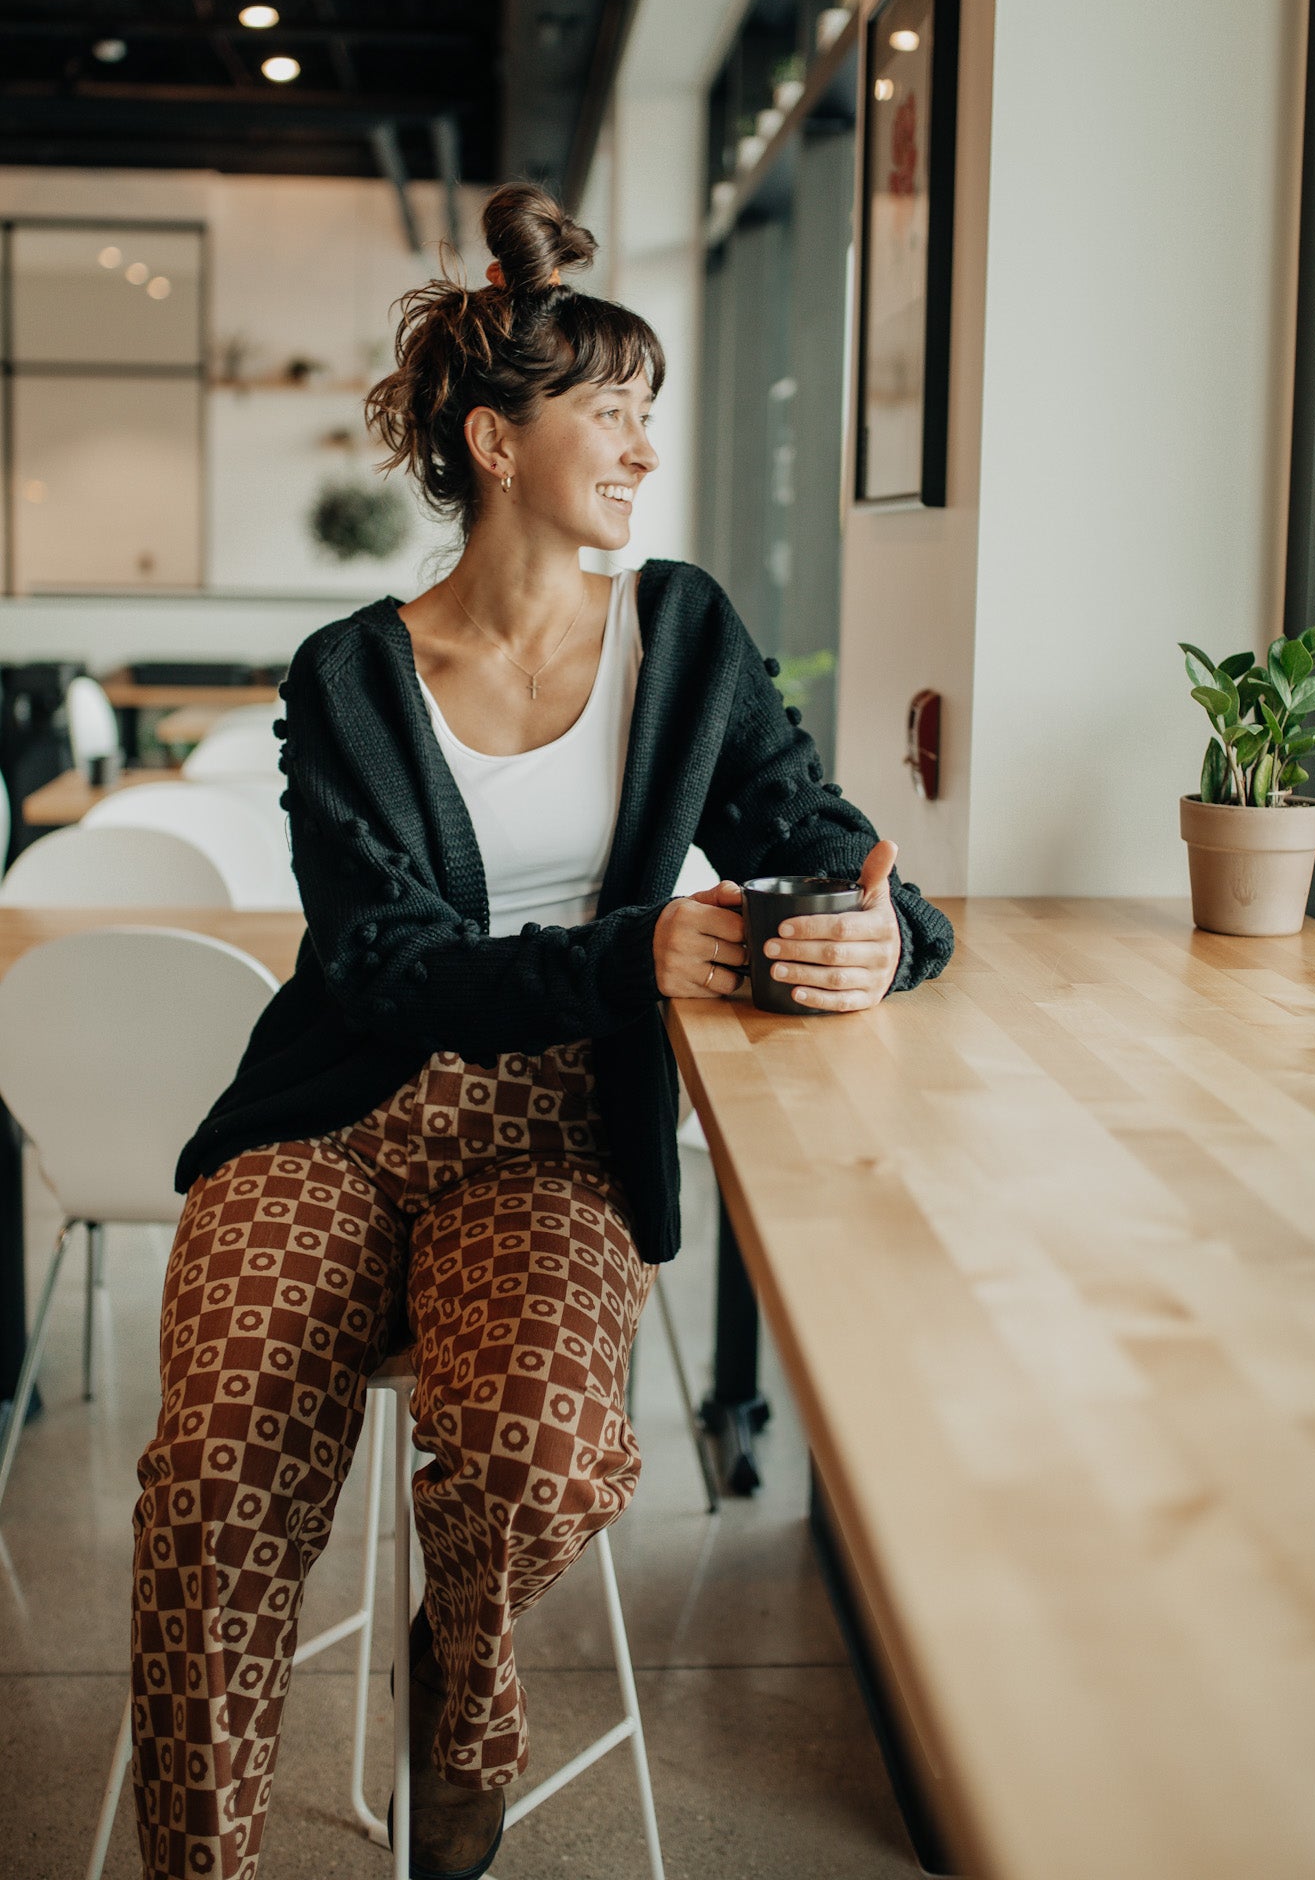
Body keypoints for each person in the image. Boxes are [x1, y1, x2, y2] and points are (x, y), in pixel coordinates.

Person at [129, 181, 954, 1880]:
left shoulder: (688, 638)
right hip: (334, 1118)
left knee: (548, 1455)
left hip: (553, 1135)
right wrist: (630, 953)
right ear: (497, 443)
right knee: (213, 1486)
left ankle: (462, 1664)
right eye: (612, 412)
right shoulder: (348, 676)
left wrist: (889, 936)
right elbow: (381, 965)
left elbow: (819, 836)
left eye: (649, 414)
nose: (645, 449)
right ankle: (198, 1857)